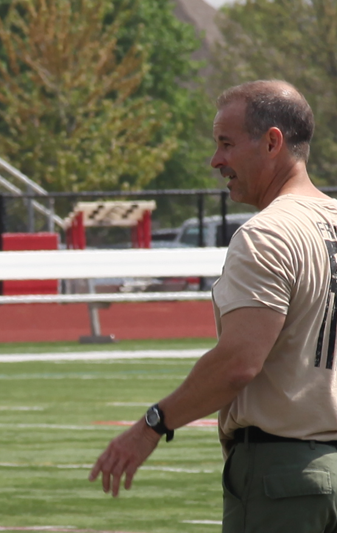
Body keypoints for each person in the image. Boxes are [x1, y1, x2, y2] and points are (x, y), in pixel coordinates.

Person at [89, 80, 337, 531]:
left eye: (226, 143)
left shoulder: (268, 233)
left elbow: (238, 363)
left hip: (285, 478)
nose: (216, 160)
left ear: (272, 141)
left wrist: (151, 425)